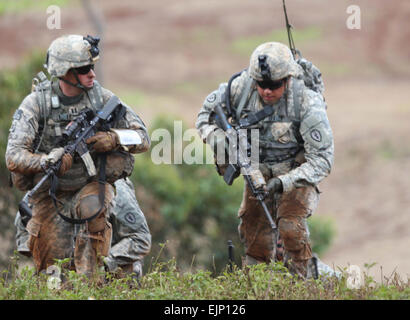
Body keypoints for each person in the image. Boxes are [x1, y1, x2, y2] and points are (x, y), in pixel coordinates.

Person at [6, 34, 150, 277]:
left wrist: (114, 137)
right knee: (54, 275)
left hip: (90, 184)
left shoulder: (101, 98)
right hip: (51, 193)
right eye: (84, 69)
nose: (92, 74)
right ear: (65, 72)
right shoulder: (36, 103)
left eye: (91, 67)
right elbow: (13, 156)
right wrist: (48, 160)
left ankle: (93, 280)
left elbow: (143, 137)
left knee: (93, 209)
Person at [196, 42, 334, 278]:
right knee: (254, 239)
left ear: (288, 79)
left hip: (296, 173)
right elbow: (203, 119)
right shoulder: (238, 89)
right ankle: (258, 287)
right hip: (255, 170)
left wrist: (283, 183)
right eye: (262, 85)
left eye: (274, 85)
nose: (267, 91)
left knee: (290, 229)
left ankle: (306, 286)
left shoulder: (307, 103)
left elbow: (322, 161)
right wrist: (218, 138)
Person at [15, 178, 152, 278]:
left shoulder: (116, 187)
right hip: (65, 269)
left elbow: (140, 238)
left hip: (108, 264)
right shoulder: (45, 186)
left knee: (130, 270)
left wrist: (105, 264)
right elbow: (23, 226)